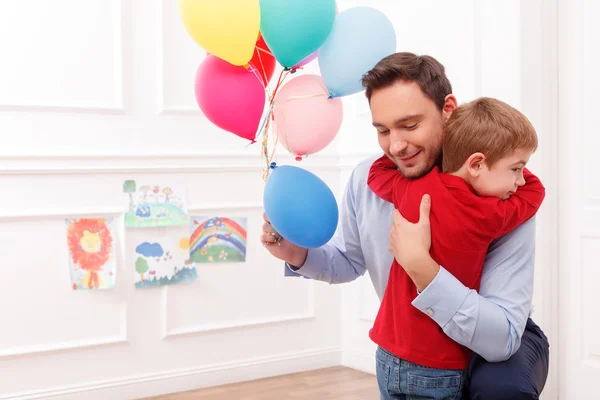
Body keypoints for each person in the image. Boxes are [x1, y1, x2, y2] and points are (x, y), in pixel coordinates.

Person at [261, 52, 549, 399]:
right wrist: (298, 254)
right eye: (383, 130)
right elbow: (348, 261)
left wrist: (422, 268)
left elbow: (501, 337)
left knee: (501, 389)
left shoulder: (499, 193)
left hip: (487, 346)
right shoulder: (370, 179)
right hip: (404, 351)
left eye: (410, 125)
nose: (395, 145)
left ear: (448, 109)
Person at [366, 97, 545, 398]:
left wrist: (428, 153)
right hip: (439, 366)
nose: (519, 180)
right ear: (475, 164)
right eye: (516, 168)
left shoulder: (411, 188)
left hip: (387, 353)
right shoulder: (488, 215)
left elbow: (377, 174)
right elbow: (535, 192)